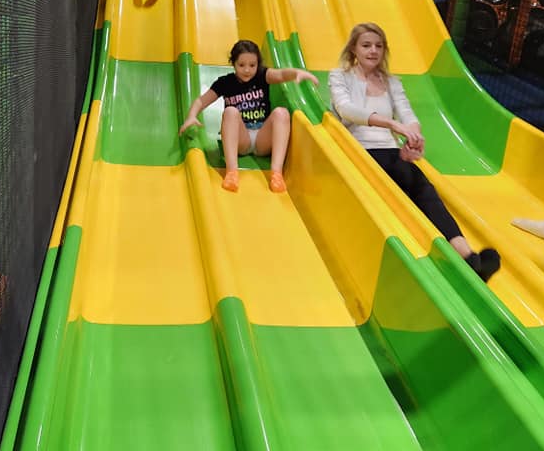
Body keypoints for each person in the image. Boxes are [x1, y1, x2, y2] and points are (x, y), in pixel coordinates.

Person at [329, 23, 500, 283]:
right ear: (354, 48)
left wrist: (414, 138)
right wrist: (392, 124)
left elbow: (407, 114)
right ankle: (434, 261)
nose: (373, 51)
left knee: (423, 188)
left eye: (378, 46)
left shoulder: (391, 82)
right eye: (366, 45)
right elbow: (347, 110)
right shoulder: (340, 77)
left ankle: (469, 258)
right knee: (399, 185)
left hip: (389, 151)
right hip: (358, 151)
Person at [179, 39, 318, 193]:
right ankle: (232, 173)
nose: (247, 70)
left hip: (262, 139)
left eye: (252, 65)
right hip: (241, 140)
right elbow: (201, 101)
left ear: (258, 64)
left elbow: (280, 75)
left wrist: (296, 73)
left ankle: (277, 174)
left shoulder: (262, 76)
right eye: (241, 65)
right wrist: (191, 116)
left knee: (281, 112)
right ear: (233, 63)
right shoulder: (225, 83)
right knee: (231, 112)